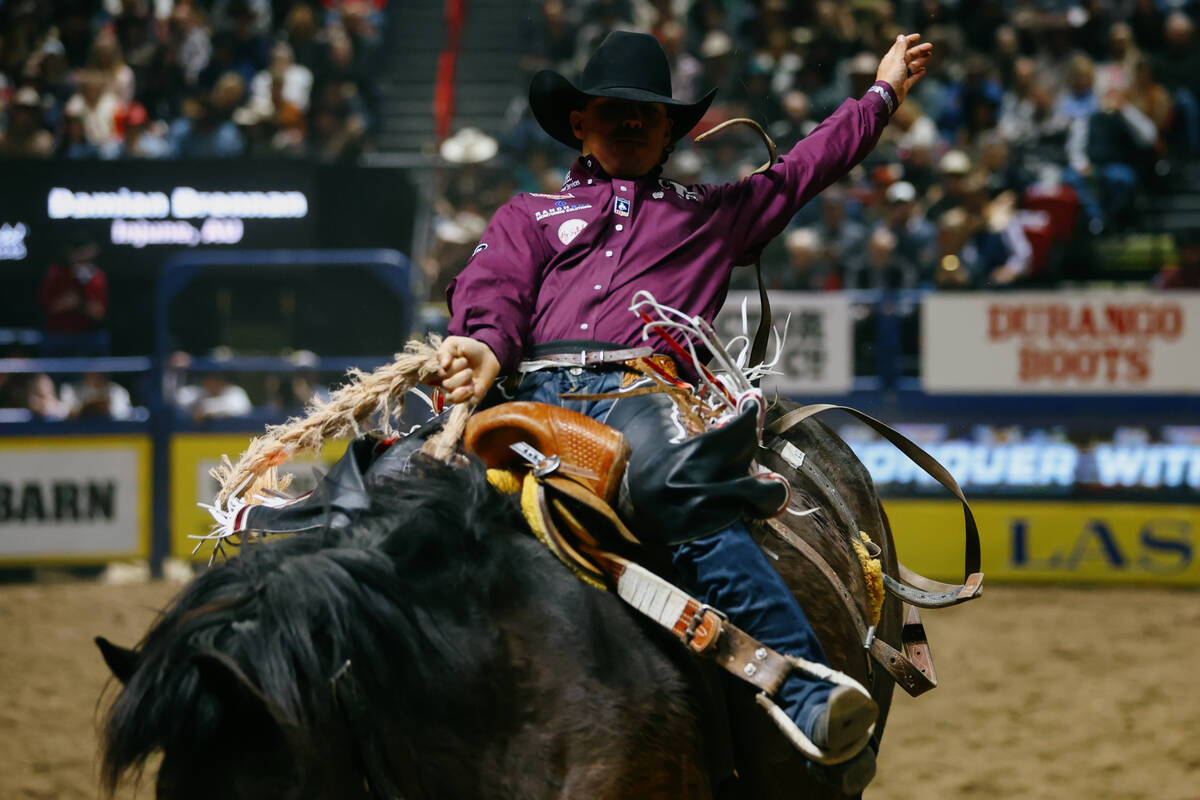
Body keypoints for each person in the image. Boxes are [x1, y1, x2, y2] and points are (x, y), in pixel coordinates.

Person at [428, 30, 931, 792]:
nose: (631, 123)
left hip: (642, 391)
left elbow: (809, 165)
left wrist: (881, 93)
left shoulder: (715, 211)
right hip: (526, 390)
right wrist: (481, 347)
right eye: (613, 111)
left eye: (647, 114)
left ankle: (804, 686)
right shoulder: (528, 213)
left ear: (669, 131)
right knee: (408, 482)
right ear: (579, 123)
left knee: (676, 486)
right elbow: (493, 288)